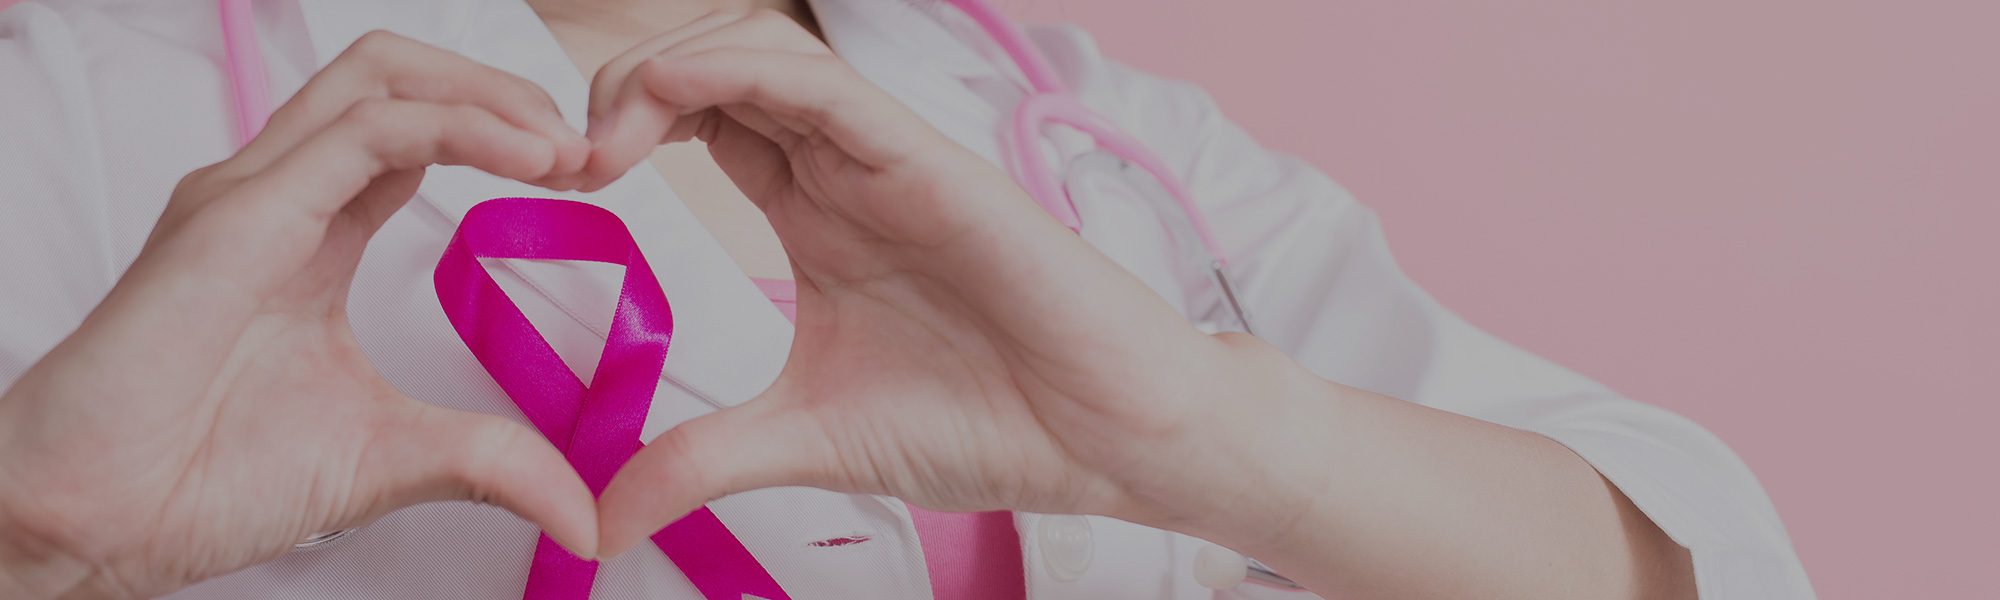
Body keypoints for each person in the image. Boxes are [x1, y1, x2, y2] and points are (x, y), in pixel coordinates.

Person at [0, 0, 1814, 599]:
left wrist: (1203, 433)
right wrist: (36, 532)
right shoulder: (82, 103)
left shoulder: (1085, 123)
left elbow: (1701, 560)